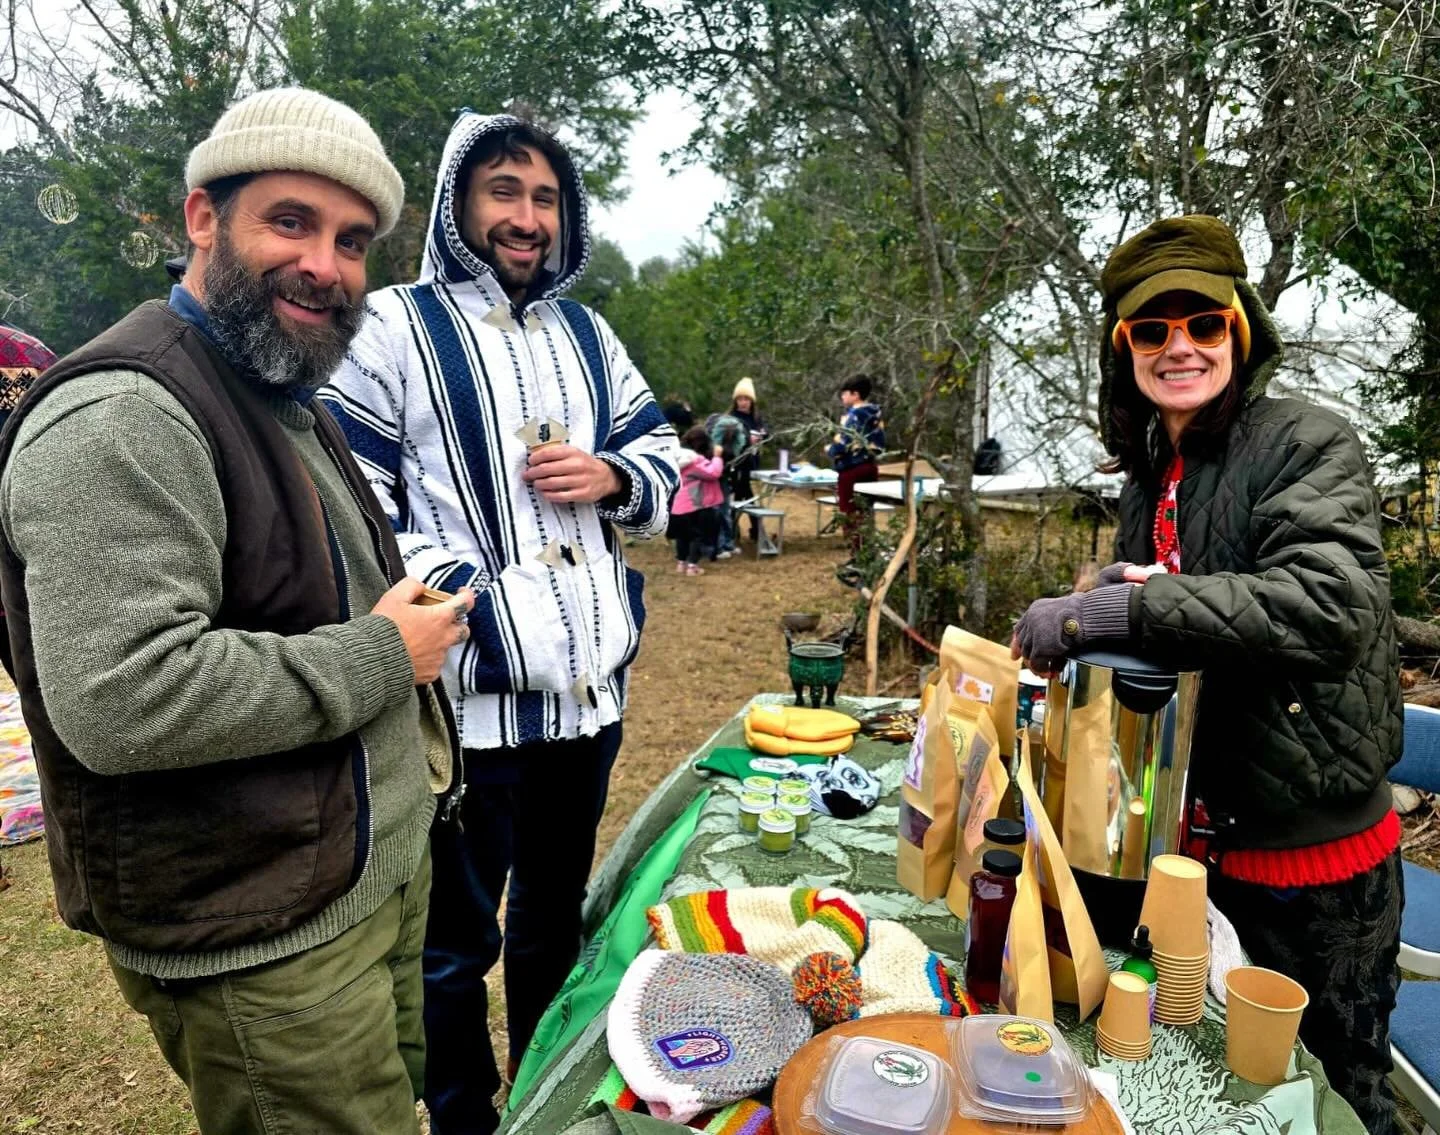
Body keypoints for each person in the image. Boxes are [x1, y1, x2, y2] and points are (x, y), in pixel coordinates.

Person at [0, 88, 472, 1134]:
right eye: (290, 222)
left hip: (356, 889)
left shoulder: (277, 389)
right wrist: (382, 654)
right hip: (264, 940)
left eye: (353, 242)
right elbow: (124, 698)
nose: (326, 265)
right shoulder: (124, 412)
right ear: (202, 219)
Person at [320, 111, 679, 1134]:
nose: (526, 218)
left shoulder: (587, 334)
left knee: (552, 925)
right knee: (451, 945)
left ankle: (547, 1096)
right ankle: (466, 1115)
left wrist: (612, 473)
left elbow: (665, 460)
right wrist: (479, 608)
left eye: (545, 198)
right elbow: (359, 510)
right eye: (504, 193)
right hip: (472, 707)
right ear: (457, 206)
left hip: (586, 703)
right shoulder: (392, 328)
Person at [1011, 215, 1403, 1134]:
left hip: (1313, 867)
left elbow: (1329, 606)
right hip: (1194, 855)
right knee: (1208, 1092)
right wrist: (1119, 595)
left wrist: (1124, 609)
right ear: (1126, 349)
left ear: (1241, 328)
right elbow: (1189, 616)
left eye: (1204, 323)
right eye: (1153, 330)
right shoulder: (1154, 467)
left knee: (1334, 1098)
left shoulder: (1306, 442)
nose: (1179, 346)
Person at [826, 374, 886, 557]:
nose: (842, 398)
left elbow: (844, 443)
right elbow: (880, 443)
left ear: (855, 394)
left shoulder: (854, 415)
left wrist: (830, 449)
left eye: (845, 394)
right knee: (866, 513)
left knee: (850, 513)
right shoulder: (875, 414)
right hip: (870, 467)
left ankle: (857, 555)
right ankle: (869, 551)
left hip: (851, 469)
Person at [719, 376, 769, 549]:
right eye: (740, 399)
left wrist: (763, 435)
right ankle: (748, 531)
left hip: (752, 462)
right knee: (743, 498)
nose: (743, 402)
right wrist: (748, 440)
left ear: (752, 401)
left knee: (744, 498)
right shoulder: (731, 418)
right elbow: (728, 441)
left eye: (746, 399)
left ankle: (741, 531)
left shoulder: (756, 418)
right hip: (737, 464)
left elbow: (766, 434)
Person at [671, 425, 726, 574]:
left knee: (682, 536)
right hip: (694, 504)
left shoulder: (676, 458)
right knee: (697, 536)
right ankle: (692, 567)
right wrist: (717, 456)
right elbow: (714, 473)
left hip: (678, 504)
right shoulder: (694, 462)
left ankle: (681, 564)